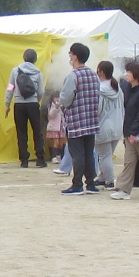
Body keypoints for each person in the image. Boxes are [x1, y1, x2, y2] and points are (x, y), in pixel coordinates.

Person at [57, 42, 101, 196]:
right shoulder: (93, 74)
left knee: (77, 154)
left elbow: (66, 99)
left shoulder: (73, 76)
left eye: (70, 54)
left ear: (75, 56)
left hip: (76, 121)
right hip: (91, 120)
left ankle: (77, 185)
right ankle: (90, 184)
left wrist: (61, 103)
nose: (69, 56)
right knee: (89, 153)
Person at [114, 59, 139, 198]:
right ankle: (123, 189)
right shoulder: (129, 89)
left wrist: (134, 132)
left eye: (129, 72)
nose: (126, 74)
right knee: (129, 162)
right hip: (129, 133)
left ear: (136, 74)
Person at [7, 47, 46, 167]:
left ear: (24, 58)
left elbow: (10, 88)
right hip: (33, 104)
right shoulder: (38, 72)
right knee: (37, 131)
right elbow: (40, 91)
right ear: (35, 59)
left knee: (21, 132)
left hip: (19, 104)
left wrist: (7, 103)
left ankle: (24, 160)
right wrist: (36, 101)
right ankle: (40, 159)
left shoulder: (15, 71)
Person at [95, 59, 119, 189]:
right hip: (117, 125)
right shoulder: (117, 87)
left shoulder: (100, 89)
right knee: (107, 155)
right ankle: (102, 178)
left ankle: (109, 181)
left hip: (103, 126)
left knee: (104, 156)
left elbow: (97, 109)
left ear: (101, 72)